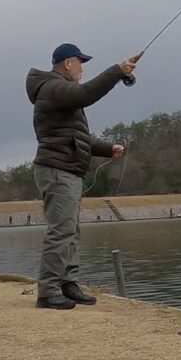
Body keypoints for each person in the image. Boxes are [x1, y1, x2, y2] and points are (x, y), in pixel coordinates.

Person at [25, 42, 139, 310]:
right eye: (81, 63)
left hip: (67, 169)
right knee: (61, 231)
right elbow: (87, 94)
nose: (83, 69)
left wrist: (107, 149)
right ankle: (48, 291)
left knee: (70, 232)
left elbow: (77, 136)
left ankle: (67, 284)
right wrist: (117, 71)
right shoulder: (53, 88)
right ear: (67, 63)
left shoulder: (60, 92)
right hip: (56, 170)